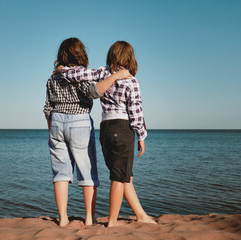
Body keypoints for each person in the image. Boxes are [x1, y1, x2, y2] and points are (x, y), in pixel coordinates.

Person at [57, 41, 156, 227]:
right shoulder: (131, 81)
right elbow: (136, 111)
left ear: (111, 56)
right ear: (130, 58)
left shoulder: (103, 73)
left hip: (105, 129)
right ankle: (111, 222)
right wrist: (142, 135)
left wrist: (62, 70)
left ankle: (141, 214)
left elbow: (80, 73)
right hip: (122, 128)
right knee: (119, 177)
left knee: (124, 175)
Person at [43, 37, 131, 227]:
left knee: (61, 173)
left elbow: (47, 107)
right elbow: (93, 92)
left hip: (56, 122)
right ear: (81, 54)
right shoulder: (81, 74)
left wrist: (52, 128)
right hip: (80, 120)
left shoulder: (52, 77)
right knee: (87, 172)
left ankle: (63, 218)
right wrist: (113, 77)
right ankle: (90, 218)